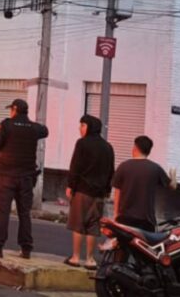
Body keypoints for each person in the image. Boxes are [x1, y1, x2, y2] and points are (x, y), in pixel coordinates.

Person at [0, 98, 49, 259]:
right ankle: (26, 248)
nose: (10, 113)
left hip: (7, 177)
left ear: (15, 109)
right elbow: (45, 130)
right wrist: (30, 124)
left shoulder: (6, 125)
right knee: (24, 213)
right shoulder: (33, 128)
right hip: (26, 178)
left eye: (11, 110)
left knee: (3, 212)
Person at [64, 115, 114, 269]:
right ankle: (90, 259)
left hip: (82, 191)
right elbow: (111, 170)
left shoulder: (82, 144)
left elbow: (75, 166)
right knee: (93, 226)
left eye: (82, 125)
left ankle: (76, 257)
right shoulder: (108, 147)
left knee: (78, 223)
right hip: (99, 193)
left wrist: (70, 186)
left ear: (89, 127)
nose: (80, 128)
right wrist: (107, 190)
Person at [112, 135, 178, 231]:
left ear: (135, 148)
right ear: (149, 151)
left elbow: (117, 192)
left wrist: (116, 214)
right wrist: (173, 176)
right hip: (146, 220)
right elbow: (172, 187)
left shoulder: (123, 166)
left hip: (125, 218)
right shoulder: (155, 168)